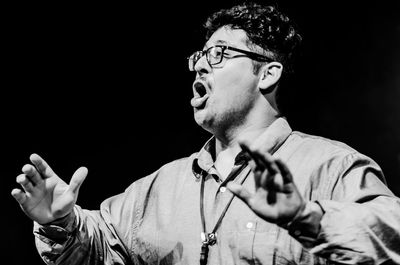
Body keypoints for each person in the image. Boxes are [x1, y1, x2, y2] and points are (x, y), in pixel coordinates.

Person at [11, 2, 400, 264]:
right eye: (199, 56)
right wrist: (60, 223)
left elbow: (392, 236)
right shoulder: (163, 186)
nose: (200, 67)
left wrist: (306, 217)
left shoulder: (331, 165)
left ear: (268, 73)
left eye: (219, 54)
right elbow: (100, 243)